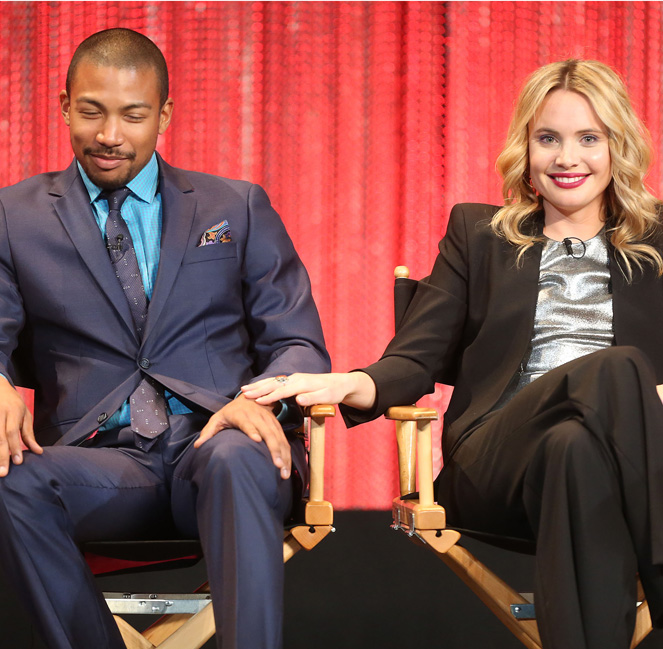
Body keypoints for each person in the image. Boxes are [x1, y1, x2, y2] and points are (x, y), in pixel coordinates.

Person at [243, 59, 663, 649]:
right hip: (497, 453)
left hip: (608, 464)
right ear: (526, 147)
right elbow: (414, 360)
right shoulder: (480, 234)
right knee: (619, 370)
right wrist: (349, 382)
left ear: (619, 146)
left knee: (577, 451)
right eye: (549, 139)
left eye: (589, 139)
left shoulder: (658, 241)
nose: (568, 158)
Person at [0, 28, 330, 649]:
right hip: (101, 464)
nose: (110, 135)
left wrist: (255, 403)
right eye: (92, 110)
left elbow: (298, 345)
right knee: (6, 476)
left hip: (219, 446)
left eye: (133, 115)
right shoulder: (12, 217)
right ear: (64, 103)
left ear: (165, 115)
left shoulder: (237, 206)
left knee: (236, 454)